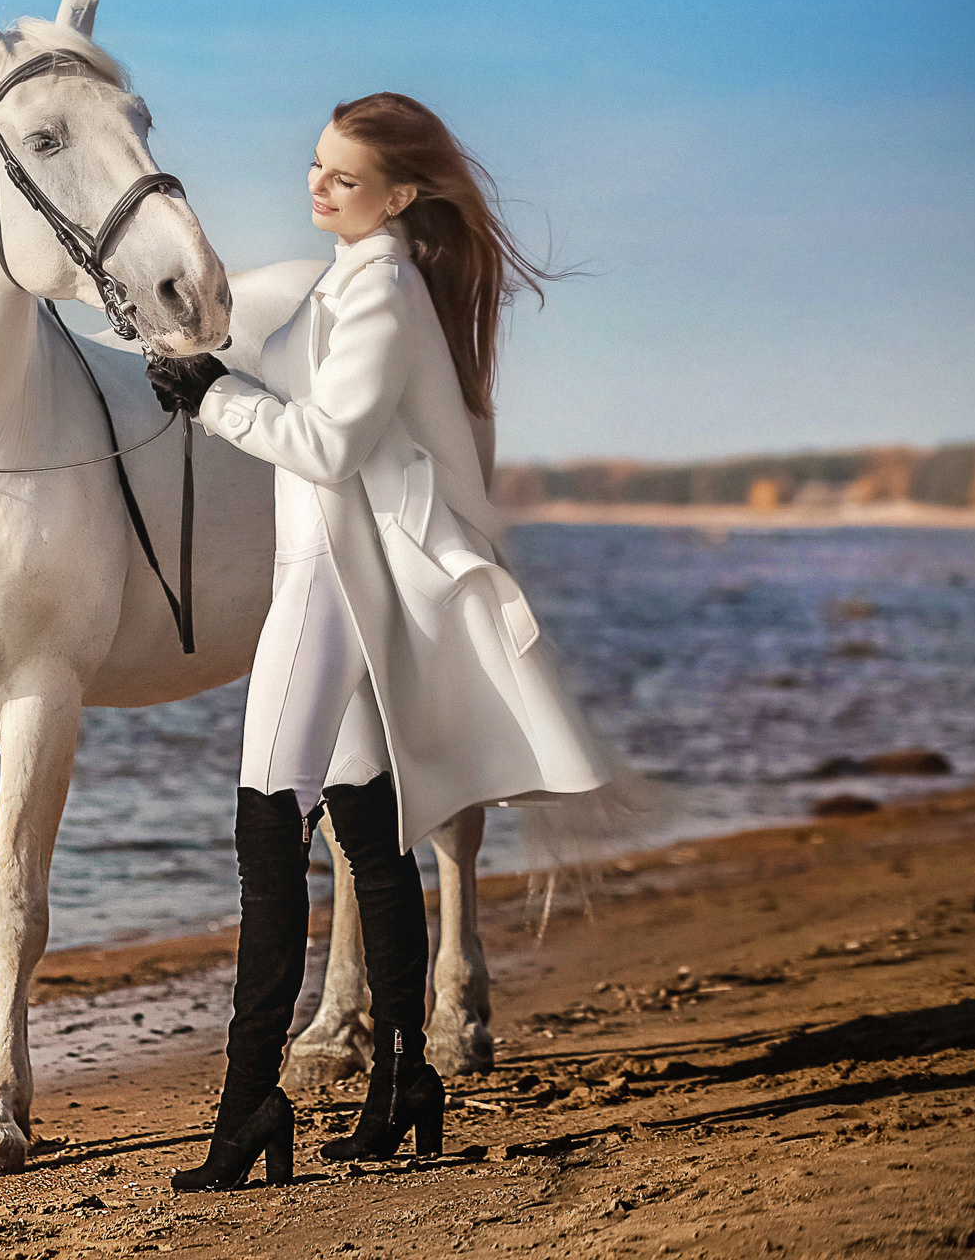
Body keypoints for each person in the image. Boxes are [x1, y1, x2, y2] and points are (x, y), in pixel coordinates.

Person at [147, 92, 637, 1191]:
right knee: (369, 830)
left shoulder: (379, 292)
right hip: (335, 574)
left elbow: (329, 445)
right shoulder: (352, 279)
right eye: (316, 165)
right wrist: (197, 358)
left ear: (402, 194)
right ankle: (407, 1079)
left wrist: (217, 401)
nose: (317, 186)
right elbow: (293, 386)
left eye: (345, 177)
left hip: (326, 577)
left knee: (268, 827)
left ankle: (249, 1104)